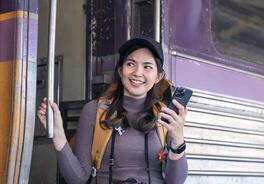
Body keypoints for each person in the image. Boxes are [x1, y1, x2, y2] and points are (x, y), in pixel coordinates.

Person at [37, 37, 188, 184]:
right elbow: (78, 178)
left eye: (147, 67)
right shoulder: (94, 111)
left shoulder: (165, 114)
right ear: (121, 70)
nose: (137, 72)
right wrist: (58, 134)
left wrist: (178, 140)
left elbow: (175, 180)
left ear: (158, 76)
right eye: (130, 64)